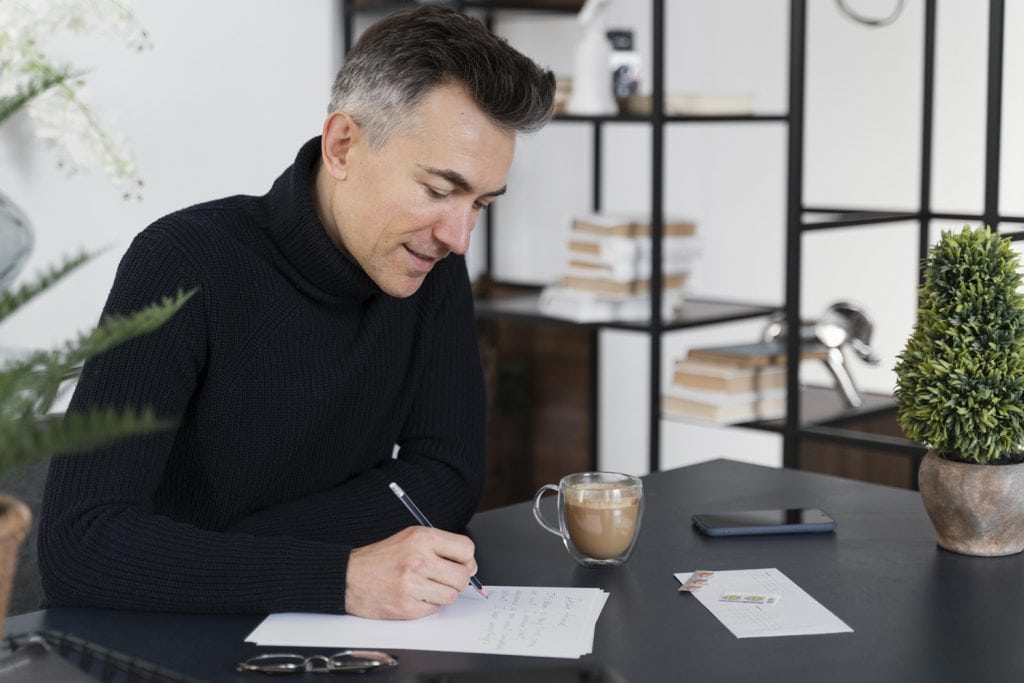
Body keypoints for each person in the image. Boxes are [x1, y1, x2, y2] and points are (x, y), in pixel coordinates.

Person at [38, 5, 554, 620]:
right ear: (342, 146)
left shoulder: (431, 262)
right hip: (165, 636)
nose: (458, 235)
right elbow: (79, 545)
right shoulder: (182, 263)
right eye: (439, 190)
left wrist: (243, 556)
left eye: (481, 204)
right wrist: (339, 576)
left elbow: (447, 474)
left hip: (306, 630)